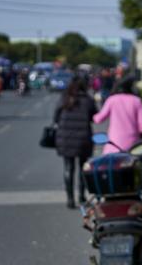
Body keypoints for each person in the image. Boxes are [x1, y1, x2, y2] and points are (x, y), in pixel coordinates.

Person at [53, 76, 97, 208]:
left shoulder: (64, 98)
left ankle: (70, 199)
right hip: (83, 137)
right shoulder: (88, 100)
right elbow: (93, 117)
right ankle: (81, 196)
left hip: (65, 137)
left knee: (68, 167)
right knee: (83, 168)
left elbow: (56, 117)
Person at [93, 75, 142, 154]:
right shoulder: (137, 101)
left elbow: (99, 119)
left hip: (114, 144)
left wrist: (91, 115)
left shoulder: (112, 99)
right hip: (132, 144)